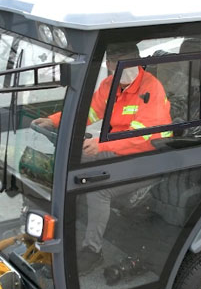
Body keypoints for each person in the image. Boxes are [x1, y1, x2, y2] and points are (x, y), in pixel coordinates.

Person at [32, 42, 172, 275]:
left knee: (99, 189)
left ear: (138, 61)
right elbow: (87, 112)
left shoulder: (151, 88)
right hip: (118, 151)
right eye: (118, 63)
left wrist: (101, 145)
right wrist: (54, 120)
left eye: (130, 62)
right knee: (71, 162)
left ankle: (92, 251)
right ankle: (63, 226)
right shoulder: (109, 85)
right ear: (108, 64)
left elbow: (142, 137)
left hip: (149, 158)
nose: (125, 68)